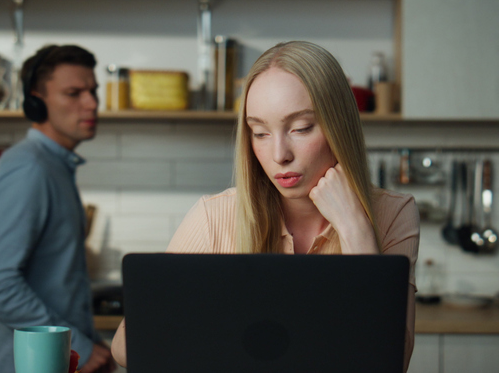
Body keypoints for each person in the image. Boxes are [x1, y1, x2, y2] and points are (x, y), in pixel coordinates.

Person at [111, 41, 420, 372]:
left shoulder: (394, 214)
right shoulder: (214, 216)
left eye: (301, 128)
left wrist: (354, 227)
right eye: (259, 132)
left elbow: (390, 363)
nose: (279, 155)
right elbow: (125, 347)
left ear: (339, 125)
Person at [0, 45, 116, 373]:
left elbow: (62, 281)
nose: (92, 103)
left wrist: (89, 342)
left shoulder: (52, 166)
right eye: (73, 93)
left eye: (93, 91)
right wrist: (79, 345)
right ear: (37, 100)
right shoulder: (29, 170)